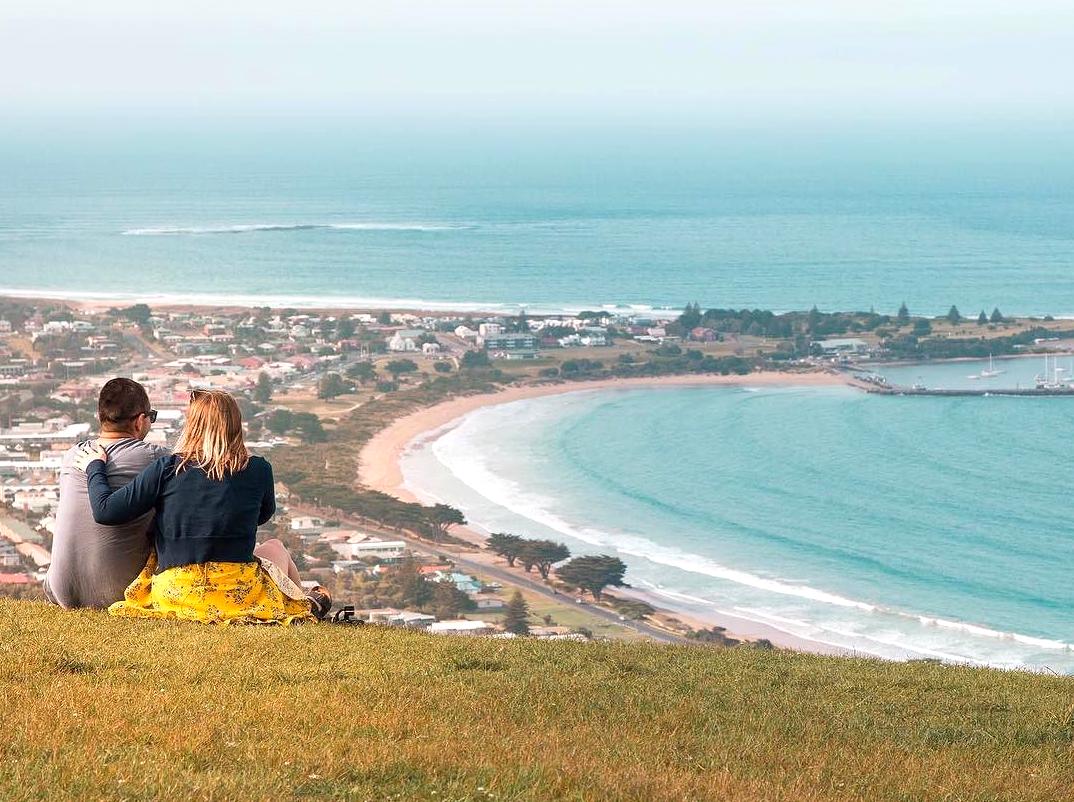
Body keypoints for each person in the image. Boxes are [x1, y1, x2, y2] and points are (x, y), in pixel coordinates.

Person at [74, 388, 330, 624]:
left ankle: (303, 606)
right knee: (274, 547)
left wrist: (95, 466)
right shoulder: (258, 469)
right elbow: (262, 515)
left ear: (193, 426)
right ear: (235, 425)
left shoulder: (168, 468)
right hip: (236, 590)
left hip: (178, 592)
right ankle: (303, 607)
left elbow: (106, 511)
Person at [44, 378, 168, 609]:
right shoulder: (154, 457)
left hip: (61, 590)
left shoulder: (73, 455)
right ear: (140, 422)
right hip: (119, 592)